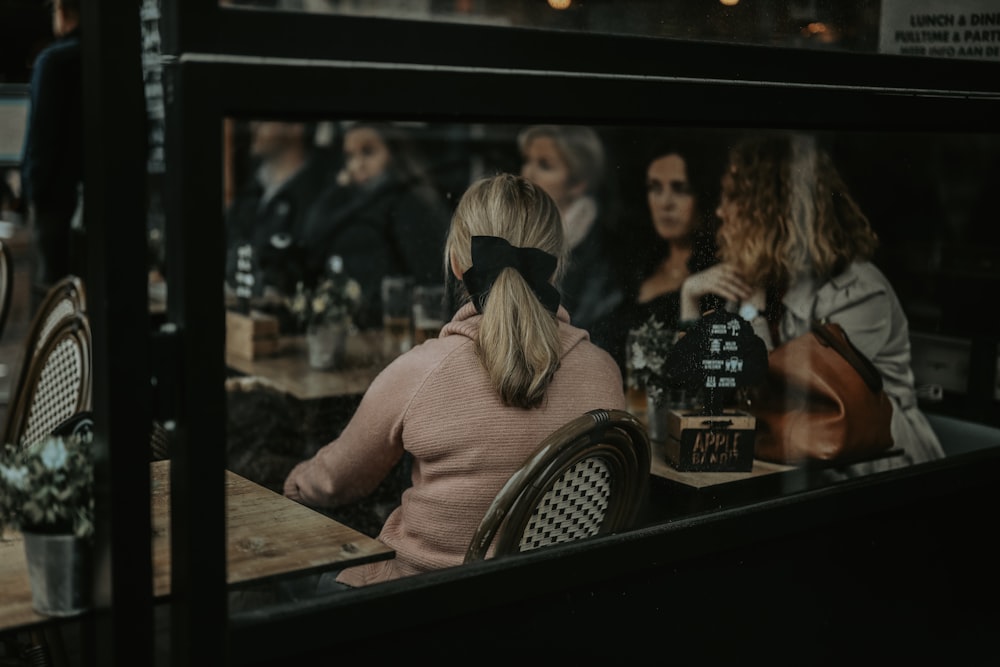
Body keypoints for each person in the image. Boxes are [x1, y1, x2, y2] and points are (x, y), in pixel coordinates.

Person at [283, 173, 626, 588]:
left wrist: (290, 484)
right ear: (556, 265)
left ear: (457, 263)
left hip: (419, 607)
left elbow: (334, 482)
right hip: (547, 605)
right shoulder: (603, 372)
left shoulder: (421, 371)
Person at [680, 132, 944, 473]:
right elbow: (709, 387)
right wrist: (690, 299)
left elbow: (789, 393)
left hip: (879, 468)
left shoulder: (858, 289)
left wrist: (753, 311)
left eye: (734, 197)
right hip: (783, 460)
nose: (720, 211)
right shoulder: (762, 281)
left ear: (771, 211)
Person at [300, 122, 450, 329]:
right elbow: (311, 236)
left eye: (368, 152)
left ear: (393, 152)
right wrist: (337, 188)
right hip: (350, 328)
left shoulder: (407, 203)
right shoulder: (349, 200)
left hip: (388, 328)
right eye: (350, 156)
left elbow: (430, 280)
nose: (357, 165)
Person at [596, 141, 724, 374]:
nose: (665, 203)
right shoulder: (637, 266)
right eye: (655, 188)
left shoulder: (716, 276)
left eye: (680, 189)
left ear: (704, 195)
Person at [518, 124, 623, 341]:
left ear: (577, 183)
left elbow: (593, 330)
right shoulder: (517, 234)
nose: (527, 173)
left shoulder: (602, 248)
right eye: (528, 160)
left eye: (545, 165)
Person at [223, 120, 335, 307]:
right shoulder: (251, 190)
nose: (253, 126)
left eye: (264, 119)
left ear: (296, 126)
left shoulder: (323, 194)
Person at [21, 0, 83, 313]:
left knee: (49, 303)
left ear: (61, 10)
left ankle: (52, 362)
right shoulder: (108, 60)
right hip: (95, 204)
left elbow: (41, 136)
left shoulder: (53, 62)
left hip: (54, 204)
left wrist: (32, 191)